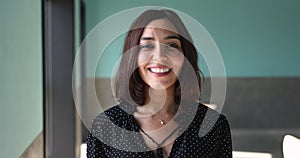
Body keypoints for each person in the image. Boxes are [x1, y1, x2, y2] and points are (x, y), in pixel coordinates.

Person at [87, 9, 232, 158]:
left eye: (172, 45)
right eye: (147, 45)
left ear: (185, 57)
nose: (160, 56)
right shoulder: (104, 126)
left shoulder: (214, 125)